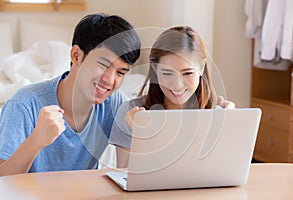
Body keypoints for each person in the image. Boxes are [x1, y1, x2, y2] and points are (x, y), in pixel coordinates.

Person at [0, 13, 141, 176]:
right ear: (76, 56)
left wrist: (136, 138)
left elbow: (126, 176)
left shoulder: (114, 103)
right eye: (103, 65)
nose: (109, 80)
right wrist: (35, 142)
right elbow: (2, 182)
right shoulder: (24, 104)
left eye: (120, 72)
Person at [109, 26, 235, 167]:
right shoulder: (131, 112)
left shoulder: (217, 115)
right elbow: (125, 176)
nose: (177, 85)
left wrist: (229, 125)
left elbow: (224, 171)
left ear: (201, 68)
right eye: (167, 73)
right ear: (154, 68)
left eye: (187, 73)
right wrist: (140, 136)